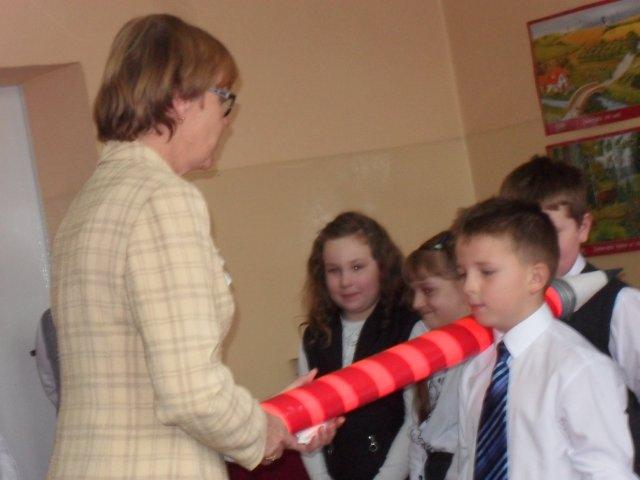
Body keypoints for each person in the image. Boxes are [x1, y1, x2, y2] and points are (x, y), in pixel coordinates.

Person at [47, 14, 337, 480]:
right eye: (224, 99)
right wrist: (269, 429)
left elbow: (147, 389)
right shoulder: (163, 199)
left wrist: (266, 420)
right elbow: (190, 394)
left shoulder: (90, 202)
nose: (227, 119)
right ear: (181, 99)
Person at [450, 197, 636, 479]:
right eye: (462, 274)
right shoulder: (477, 368)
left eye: (486, 272)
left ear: (535, 277)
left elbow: (608, 473)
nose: (469, 286)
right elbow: (466, 462)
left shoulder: (579, 369)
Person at [500, 155, 640, 471]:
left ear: (583, 227)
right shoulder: (506, 309)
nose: (538, 247)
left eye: (551, 232)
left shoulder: (621, 305)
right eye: (522, 235)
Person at [298, 212, 419, 480]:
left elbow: (415, 419)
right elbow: (308, 422)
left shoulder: (409, 327)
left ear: (382, 267)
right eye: (334, 270)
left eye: (357, 267)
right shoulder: (314, 338)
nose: (345, 281)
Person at [402, 231, 469, 480]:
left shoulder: (488, 345)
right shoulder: (420, 333)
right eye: (414, 291)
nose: (416, 303)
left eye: (428, 290)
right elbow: (416, 422)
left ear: (465, 285)